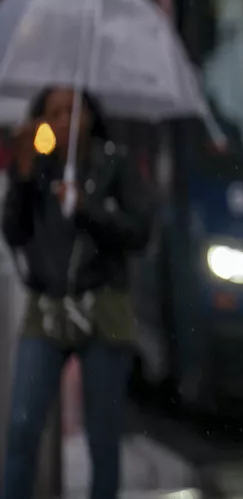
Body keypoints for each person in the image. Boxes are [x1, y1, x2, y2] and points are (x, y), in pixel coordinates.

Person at [1, 87, 152, 499]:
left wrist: (87, 207)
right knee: (23, 426)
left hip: (102, 305)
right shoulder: (38, 163)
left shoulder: (114, 162)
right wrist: (24, 174)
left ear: (90, 115)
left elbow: (139, 231)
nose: (64, 120)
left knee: (103, 435)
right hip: (47, 308)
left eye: (73, 111)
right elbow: (14, 231)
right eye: (54, 112)